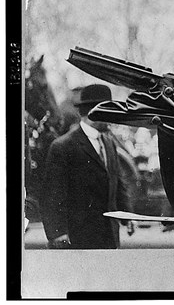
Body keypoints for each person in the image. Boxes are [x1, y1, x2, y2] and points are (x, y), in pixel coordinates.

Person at [41, 84, 134, 249]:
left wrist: (127, 216)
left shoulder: (109, 143)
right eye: (109, 112)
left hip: (109, 237)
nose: (112, 118)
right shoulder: (63, 146)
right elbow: (52, 196)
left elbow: (117, 184)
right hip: (78, 239)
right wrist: (57, 233)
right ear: (94, 112)